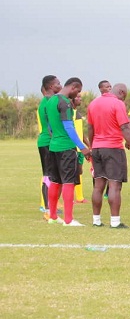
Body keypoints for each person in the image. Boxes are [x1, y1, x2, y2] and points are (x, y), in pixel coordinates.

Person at [87, 83, 130, 228]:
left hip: (97, 147)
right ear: (121, 92)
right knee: (115, 185)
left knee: (98, 185)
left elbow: (90, 128)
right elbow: (125, 128)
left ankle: (96, 220)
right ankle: (115, 222)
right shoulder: (117, 104)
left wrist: (92, 145)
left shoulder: (93, 103)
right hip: (113, 148)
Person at [45, 77, 91, 226]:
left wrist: (55, 138)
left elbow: (49, 126)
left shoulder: (50, 100)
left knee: (55, 181)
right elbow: (69, 127)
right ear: (73, 87)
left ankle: (52, 216)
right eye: (78, 91)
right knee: (68, 182)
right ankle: (68, 220)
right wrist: (82, 147)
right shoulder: (65, 102)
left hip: (53, 146)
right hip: (66, 148)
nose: (77, 94)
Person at [37, 75, 62, 217]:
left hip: (46, 141)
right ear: (52, 86)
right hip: (47, 142)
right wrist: (55, 139)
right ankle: (47, 207)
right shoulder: (48, 102)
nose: (60, 85)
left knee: (51, 174)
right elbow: (49, 125)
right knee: (49, 174)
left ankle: (50, 205)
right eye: (58, 83)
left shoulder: (45, 101)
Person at [72, 93, 91, 204]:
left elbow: (80, 132)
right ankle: (69, 198)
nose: (80, 99)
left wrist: (88, 145)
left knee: (79, 172)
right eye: (78, 97)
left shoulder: (77, 113)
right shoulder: (69, 113)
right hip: (73, 148)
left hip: (80, 149)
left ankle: (80, 197)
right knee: (71, 174)